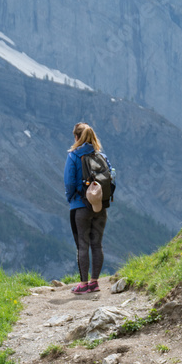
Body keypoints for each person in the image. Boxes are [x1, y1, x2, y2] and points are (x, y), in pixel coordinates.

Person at [63, 122, 112, 294]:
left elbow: (69, 182)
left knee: (82, 245)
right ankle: (94, 282)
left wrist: (72, 199)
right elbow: (111, 176)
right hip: (100, 206)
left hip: (80, 206)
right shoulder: (102, 156)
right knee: (97, 244)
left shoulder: (73, 156)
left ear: (76, 137)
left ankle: (83, 284)